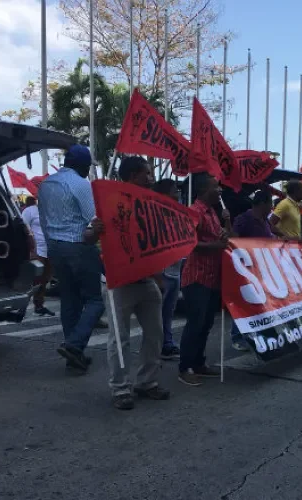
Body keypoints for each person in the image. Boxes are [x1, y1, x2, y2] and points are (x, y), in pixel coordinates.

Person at [85, 157, 171, 409]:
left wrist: (158, 276)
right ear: (133, 175)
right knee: (119, 339)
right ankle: (121, 388)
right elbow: (87, 236)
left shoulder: (150, 205)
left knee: (155, 333)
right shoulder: (108, 202)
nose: (151, 177)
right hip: (118, 283)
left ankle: (147, 382)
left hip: (146, 282)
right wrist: (95, 230)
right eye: (147, 172)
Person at [38, 145, 105, 374]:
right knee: (95, 301)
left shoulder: (46, 184)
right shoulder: (80, 184)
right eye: (88, 166)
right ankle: (74, 345)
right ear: (83, 165)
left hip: (55, 246)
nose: (88, 170)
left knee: (69, 300)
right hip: (78, 245)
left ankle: (73, 358)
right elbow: (95, 220)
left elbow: (44, 219)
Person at [178, 173, 230, 386]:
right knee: (196, 322)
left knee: (207, 322)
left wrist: (227, 223)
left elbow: (224, 238)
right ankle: (185, 367)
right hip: (197, 276)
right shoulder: (194, 212)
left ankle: (199, 362)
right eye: (215, 187)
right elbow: (188, 242)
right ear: (201, 190)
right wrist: (214, 247)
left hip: (213, 277)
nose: (219, 190)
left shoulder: (214, 213)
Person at [228, 190, 276, 350]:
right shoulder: (244, 219)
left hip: (262, 268)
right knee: (244, 302)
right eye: (270, 204)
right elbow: (234, 239)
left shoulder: (265, 220)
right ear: (263, 203)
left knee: (259, 302)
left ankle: (257, 333)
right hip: (246, 269)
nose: (271, 208)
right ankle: (237, 337)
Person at [154, 179, 184, 360]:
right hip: (163, 271)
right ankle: (160, 345)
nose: (178, 194)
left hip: (175, 268)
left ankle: (167, 342)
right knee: (159, 312)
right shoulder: (156, 216)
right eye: (175, 191)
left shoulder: (177, 214)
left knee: (168, 311)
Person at [21, 196, 55, 317]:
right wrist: (31, 247)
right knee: (34, 280)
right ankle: (21, 306)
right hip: (37, 250)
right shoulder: (29, 211)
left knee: (44, 279)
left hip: (50, 250)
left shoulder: (52, 211)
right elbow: (24, 227)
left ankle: (39, 305)